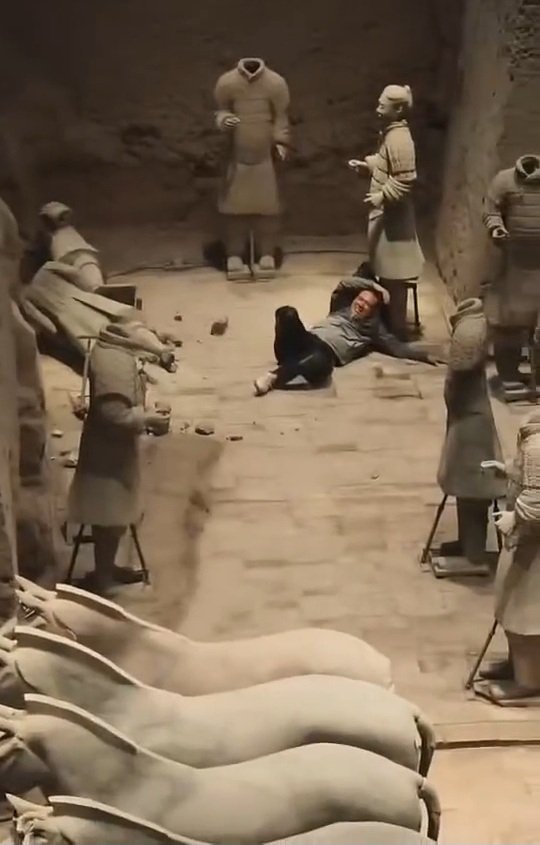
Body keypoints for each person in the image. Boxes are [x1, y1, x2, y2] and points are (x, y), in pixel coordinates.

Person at [67, 322, 170, 594]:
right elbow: (114, 415)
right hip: (107, 455)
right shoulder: (114, 363)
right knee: (108, 515)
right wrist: (148, 418)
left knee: (115, 515)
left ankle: (107, 567)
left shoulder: (114, 352)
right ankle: (102, 577)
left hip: (113, 452)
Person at [253, 275, 437, 396]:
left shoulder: (373, 329)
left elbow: (398, 348)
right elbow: (344, 284)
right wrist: (374, 286)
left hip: (326, 352)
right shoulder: (340, 306)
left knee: (321, 362)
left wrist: (426, 355)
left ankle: (273, 377)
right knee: (287, 313)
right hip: (307, 339)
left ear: (373, 311)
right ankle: (288, 360)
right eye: (360, 299)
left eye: (367, 304)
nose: (361, 304)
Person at [435, 299, 506, 572]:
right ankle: (467, 543)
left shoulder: (471, 331)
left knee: (473, 487)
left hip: (471, 425)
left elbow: (462, 364)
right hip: (463, 421)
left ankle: (474, 553)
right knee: (463, 484)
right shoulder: (469, 325)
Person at [348, 84, 424, 340]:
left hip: (395, 221)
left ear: (398, 109)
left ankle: (396, 328)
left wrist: (382, 196)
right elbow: (385, 164)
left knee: (395, 275)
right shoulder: (390, 135)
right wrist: (367, 166)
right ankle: (390, 321)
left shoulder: (400, 140)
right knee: (386, 270)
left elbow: (405, 178)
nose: (377, 108)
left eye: (383, 105)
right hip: (387, 217)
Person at [479, 413, 540, 703]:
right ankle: (519, 665)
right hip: (523, 544)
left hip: (534, 549)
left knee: (524, 616)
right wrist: (507, 471)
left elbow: (537, 501)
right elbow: (529, 477)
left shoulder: (538, 445)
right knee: (510, 607)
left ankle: (528, 680)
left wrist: (516, 516)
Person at [482, 154, 540, 396]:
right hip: (513, 263)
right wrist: (496, 228)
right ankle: (509, 375)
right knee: (508, 324)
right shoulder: (504, 181)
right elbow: (491, 209)